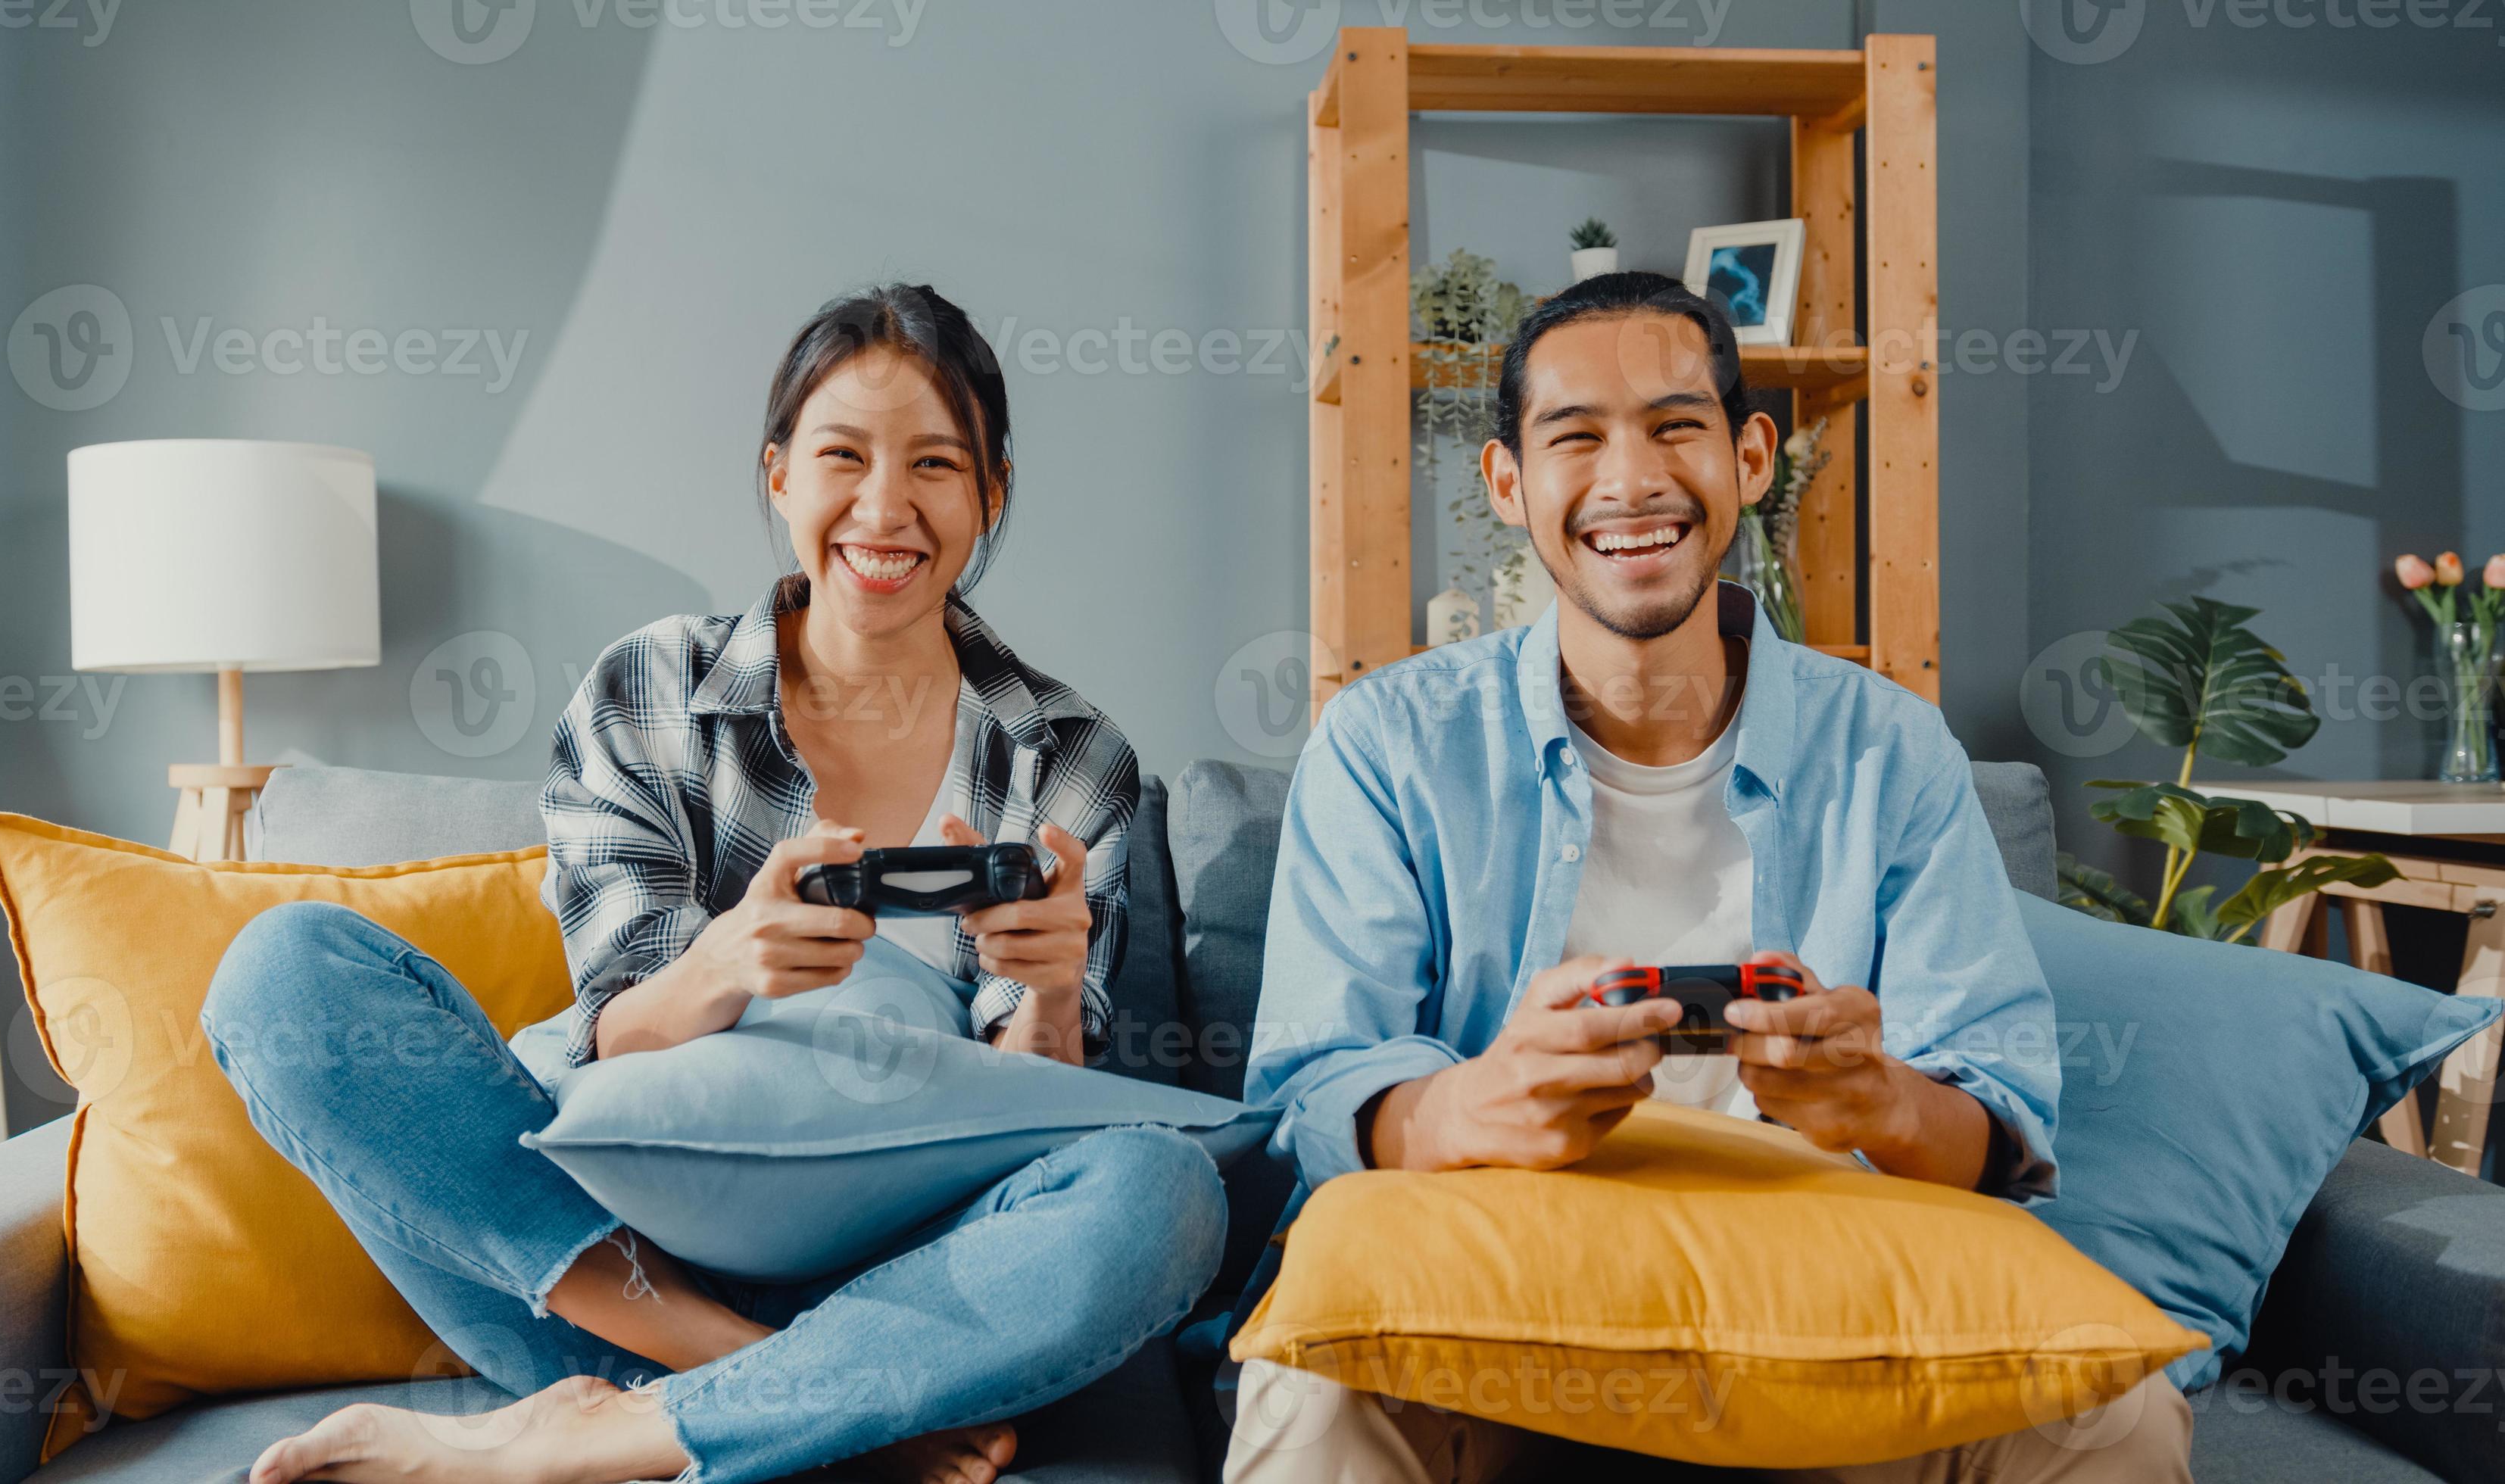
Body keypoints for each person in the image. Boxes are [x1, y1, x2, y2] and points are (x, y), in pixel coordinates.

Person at [202, 284, 1224, 1484]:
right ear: (780, 475)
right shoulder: (646, 689)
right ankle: (777, 1394)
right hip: (597, 1273)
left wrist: (1047, 996)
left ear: (991, 492)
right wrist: (725, 962)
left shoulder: (1070, 755)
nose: (885, 507)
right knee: (283, 974)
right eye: (843, 456)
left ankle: (630, 1431)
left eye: (936, 465)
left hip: (917, 1286)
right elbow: (619, 1035)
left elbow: (1034, 1127)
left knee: (1166, 1190)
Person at [1222, 272, 2191, 1483]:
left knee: (2122, 1417)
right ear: (1508, 485)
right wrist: (1472, 1108)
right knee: (1312, 1390)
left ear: (1749, 457)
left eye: (1676, 428)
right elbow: (1312, 1095)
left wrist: (1875, 1101)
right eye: (1576, 438)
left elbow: (1997, 1129)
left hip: (1819, 1309)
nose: (1631, 481)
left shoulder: (1892, 751)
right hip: (1498, 1307)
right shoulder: (1387, 741)